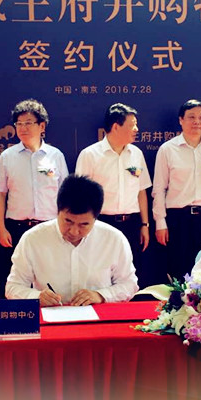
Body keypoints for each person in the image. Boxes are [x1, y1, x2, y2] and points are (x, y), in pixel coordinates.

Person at [5, 175, 138, 306]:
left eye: (84, 224)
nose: (74, 231)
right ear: (58, 211)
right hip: (52, 315)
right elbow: (13, 287)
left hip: (99, 315)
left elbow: (129, 284)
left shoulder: (114, 239)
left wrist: (101, 295)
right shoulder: (33, 239)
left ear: (96, 218)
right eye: (68, 221)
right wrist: (36, 297)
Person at [0, 99, 68, 291]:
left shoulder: (55, 155)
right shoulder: (7, 156)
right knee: (18, 282)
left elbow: (64, 195)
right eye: (19, 123)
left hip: (49, 227)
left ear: (42, 126)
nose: (22, 128)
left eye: (28, 123)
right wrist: (1, 228)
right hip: (16, 229)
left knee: (51, 279)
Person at [75, 103, 152, 285]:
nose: (136, 129)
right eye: (132, 125)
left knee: (130, 274)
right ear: (116, 126)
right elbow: (81, 195)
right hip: (101, 223)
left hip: (132, 223)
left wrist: (144, 224)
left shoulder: (136, 154)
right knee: (100, 273)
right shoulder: (90, 154)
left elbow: (141, 191)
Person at [152, 99, 201, 281]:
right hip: (179, 219)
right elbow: (159, 188)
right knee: (179, 270)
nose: (197, 122)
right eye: (191, 117)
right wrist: (160, 222)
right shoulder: (168, 149)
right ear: (181, 120)